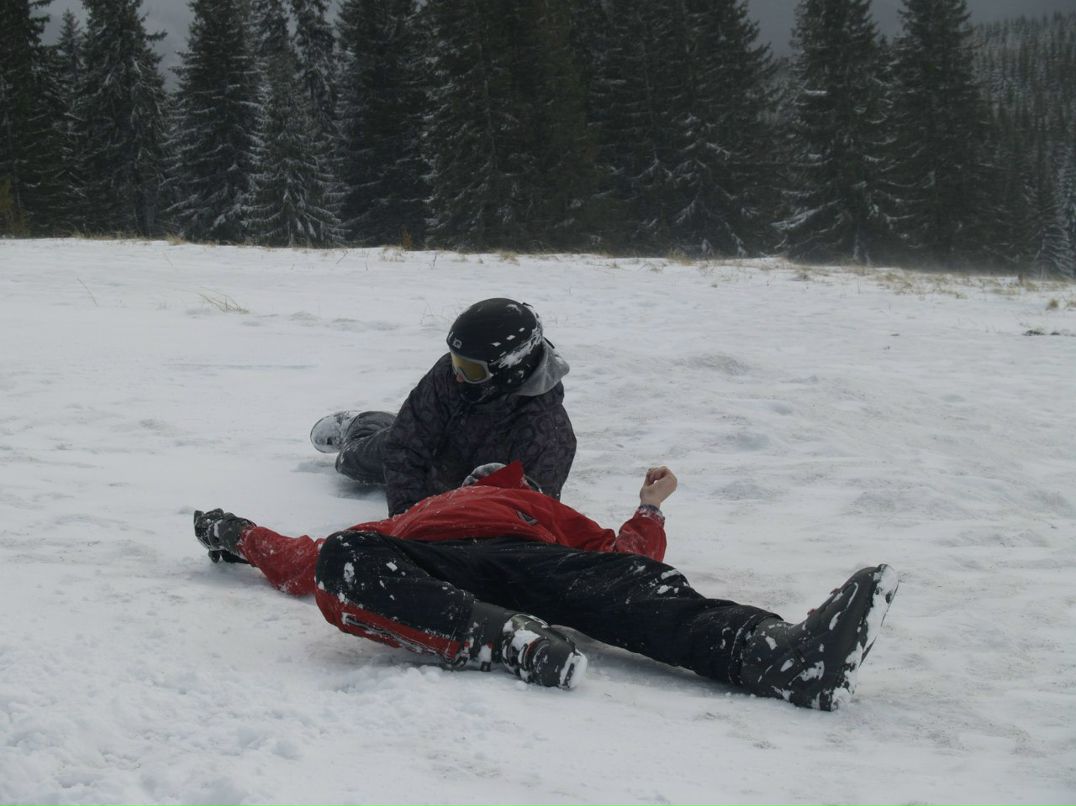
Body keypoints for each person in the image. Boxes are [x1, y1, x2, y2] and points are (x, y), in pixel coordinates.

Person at [193, 461, 899, 710]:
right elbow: (301, 558)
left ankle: (783, 658)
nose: (486, 475)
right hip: (446, 572)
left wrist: (649, 508)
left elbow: (629, 560)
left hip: (538, 563)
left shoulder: (552, 512)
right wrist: (238, 534)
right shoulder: (412, 517)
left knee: (630, 590)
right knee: (346, 558)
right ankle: (506, 642)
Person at [311, 298, 576, 516]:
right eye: (456, 360)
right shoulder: (450, 373)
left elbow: (531, 517)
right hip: (432, 450)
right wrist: (408, 522)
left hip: (462, 490)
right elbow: (404, 446)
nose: (457, 374)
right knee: (351, 461)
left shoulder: (548, 435)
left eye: (470, 369)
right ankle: (360, 425)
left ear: (510, 370)